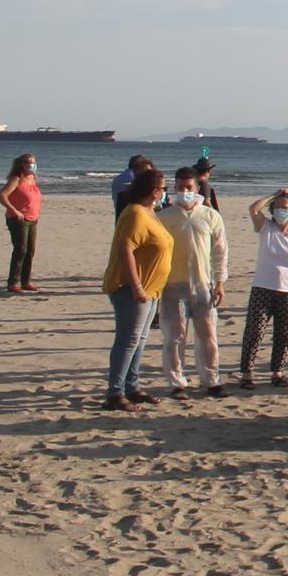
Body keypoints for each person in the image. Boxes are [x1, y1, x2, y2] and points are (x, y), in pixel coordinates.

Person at [101, 167, 173, 411]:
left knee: (140, 340)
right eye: (163, 189)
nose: (165, 193)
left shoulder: (150, 213)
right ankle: (115, 392)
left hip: (153, 289)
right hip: (132, 288)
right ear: (154, 191)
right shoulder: (134, 214)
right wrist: (136, 285)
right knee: (128, 340)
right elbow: (125, 250)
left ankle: (132, 386)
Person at [156, 166, 228, 399]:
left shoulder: (210, 216)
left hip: (203, 283)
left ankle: (211, 379)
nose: (184, 191)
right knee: (175, 336)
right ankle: (177, 382)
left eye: (188, 187)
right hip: (172, 285)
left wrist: (219, 281)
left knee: (208, 334)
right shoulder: (164, 217)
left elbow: (220, 251)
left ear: (197, 188)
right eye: (180, 187)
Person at [240, 189, 288, 389]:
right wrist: (273, 195)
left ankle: (277, 372)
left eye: (284, 208)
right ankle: (247, 373)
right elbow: (253, 209)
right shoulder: (266, 227)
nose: (280, 211)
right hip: (263, 286)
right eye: (277, 207)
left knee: (283, 333)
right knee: (255, 331)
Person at [0, 152, 42, 294]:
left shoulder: (32, 178)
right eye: (29, 163)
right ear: (22, 165)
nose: (32, 165)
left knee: (30, 251)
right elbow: (1, 195)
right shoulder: (17, 179)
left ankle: (25, 281)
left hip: (33, 219)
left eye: (33, 163)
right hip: (18, 219)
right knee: (20, 250)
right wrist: (14, 210)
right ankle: (12, 282)